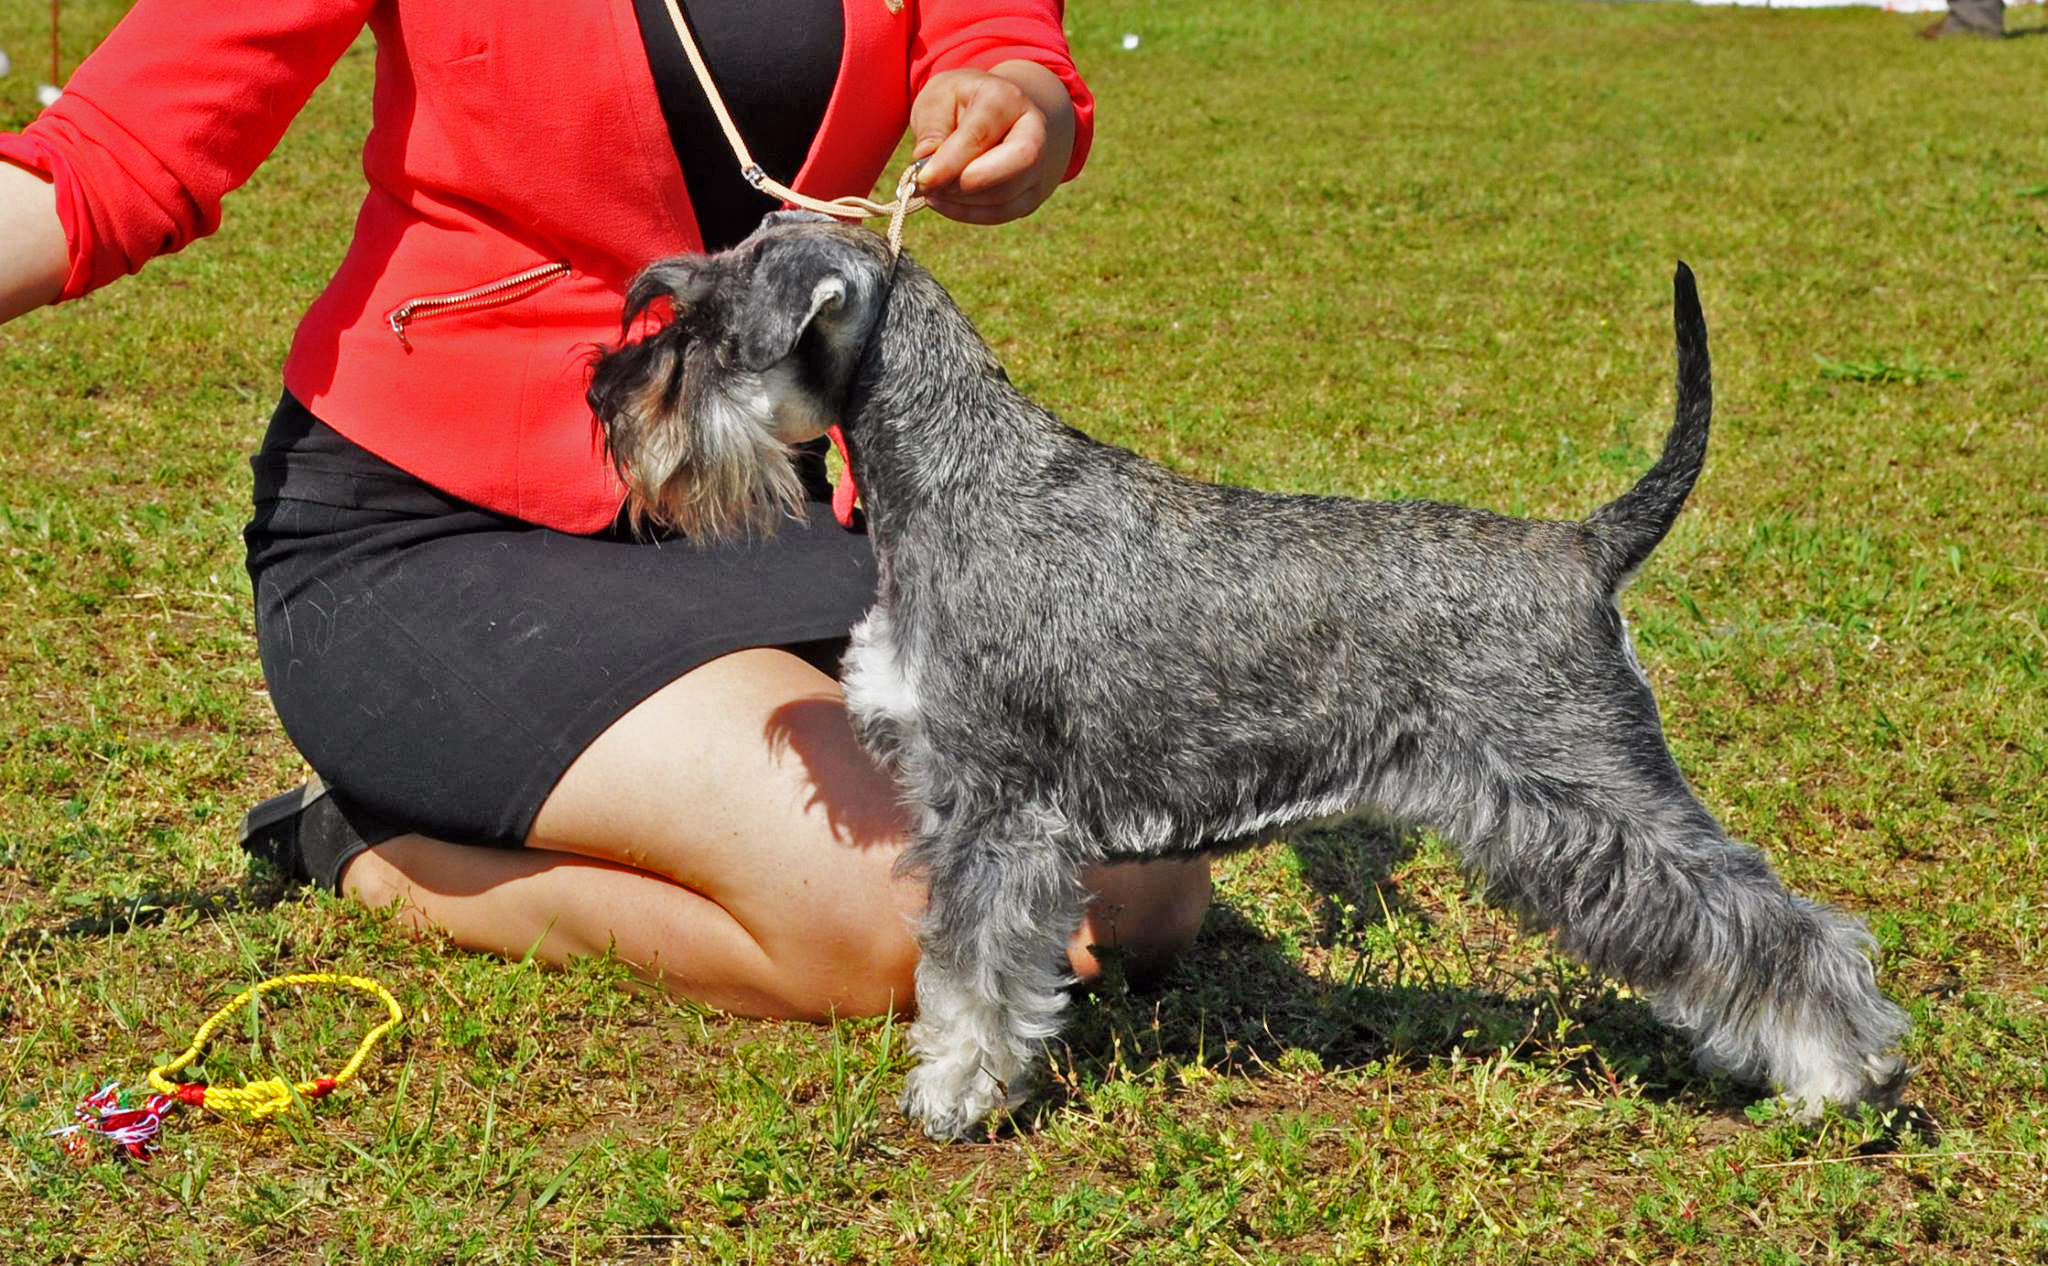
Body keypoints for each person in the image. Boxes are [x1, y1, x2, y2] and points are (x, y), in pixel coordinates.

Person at [0, 0, 1212, 1022]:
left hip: (747, 508)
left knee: (1147, 884)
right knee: (911, 920)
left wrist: (1013, 100)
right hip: (439, 528)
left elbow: (994, 36)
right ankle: (372, 854)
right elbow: (114, 163)